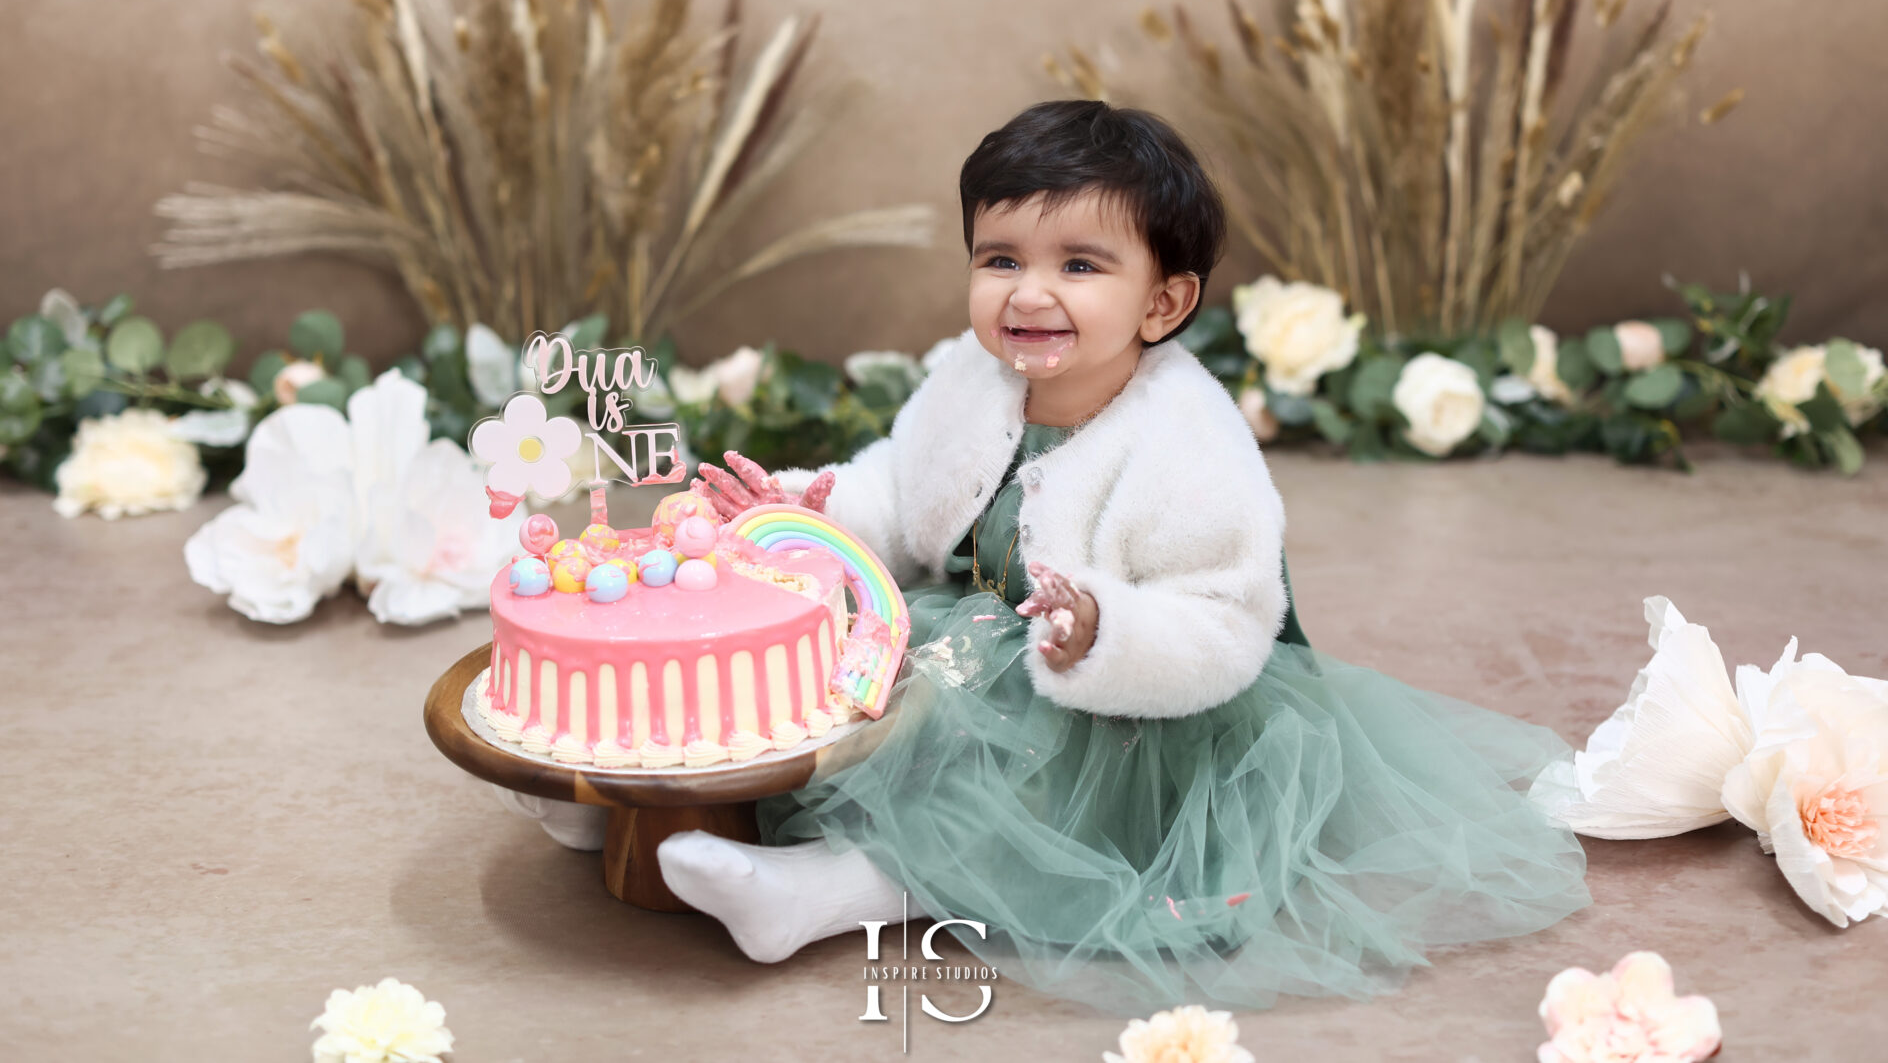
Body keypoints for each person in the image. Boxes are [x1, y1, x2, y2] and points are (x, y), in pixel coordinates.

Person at [655, 100, 1591, 1015]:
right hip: (973, 634)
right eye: (1000, 259)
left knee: (1009, 768)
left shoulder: (1188, 443)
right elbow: (902, 493)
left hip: (1131, 709)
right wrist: (810, 507)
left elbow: (1226, 619)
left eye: (1079, 264)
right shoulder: (969, 379)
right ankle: (656, 800)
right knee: (841, 671)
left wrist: (1106, 632)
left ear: (1163, 300)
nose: (1027, 291)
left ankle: (832, 891)